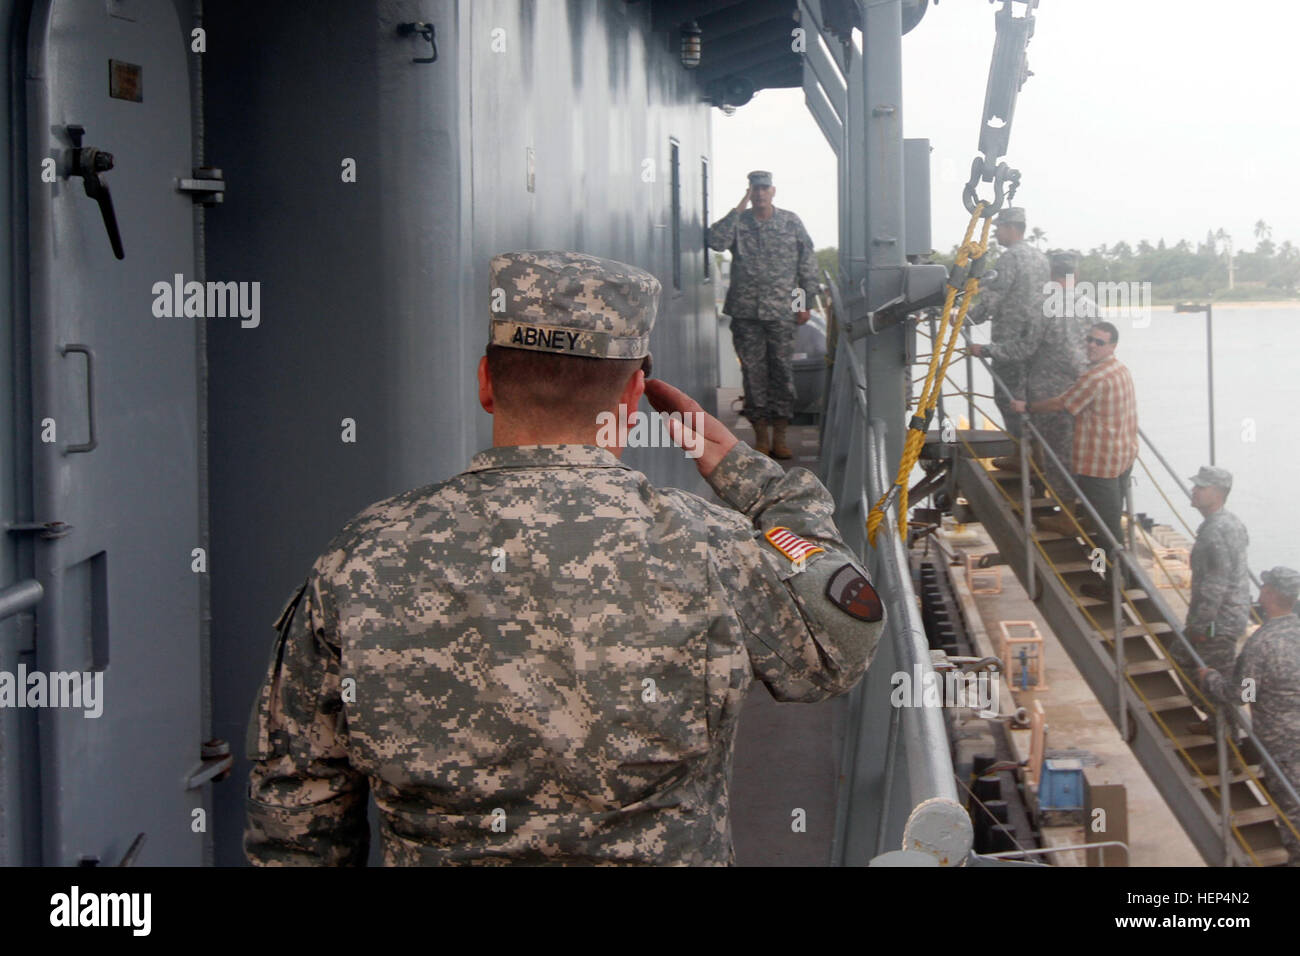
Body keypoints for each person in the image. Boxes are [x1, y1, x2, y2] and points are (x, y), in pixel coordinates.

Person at [243, 250, 885, 866]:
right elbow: (837, 650)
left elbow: (297, 811)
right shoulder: (708, 544)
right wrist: (760, 481)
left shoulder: (361, 556)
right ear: (634, 396)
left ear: (486, 382)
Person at [1011, 321, 1137, 597]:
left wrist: (1028, 407)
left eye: (1099, 342)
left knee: (1106, 530)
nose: (1091, 345)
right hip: (1123, 458)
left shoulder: (1095, 378)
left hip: (1099, 465)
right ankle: (1128, 575)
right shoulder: (1121, 370)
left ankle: (1113, 585)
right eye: (1089, 340)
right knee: (1113, 522)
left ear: (1112, 346)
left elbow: (1062, 404)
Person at [708, 170, 818, 459]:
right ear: (750, 192)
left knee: (781, 372)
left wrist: (803, 304)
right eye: (754, 189)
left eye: (764, 189)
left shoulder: (790, 222)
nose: (759, 194)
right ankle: (761, 438)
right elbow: (715, 241)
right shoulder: (739, 223)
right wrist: (738, 206)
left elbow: (806, 264)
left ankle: (780, 436)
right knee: (753, 374)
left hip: (782, 313)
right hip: (746, 314)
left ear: (773, 191)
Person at [1200, 567, 1300, 866]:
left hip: (1281, 742)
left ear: (1268, 594)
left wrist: (1210, 679)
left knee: (1291, 809)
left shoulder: (1261, 643)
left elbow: (1243, 694)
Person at [967, 206, 1049, 461]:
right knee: (1028, 398)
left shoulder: (1010, 258)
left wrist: (964, 318)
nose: (996, 234)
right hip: (1034, 342)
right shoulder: (1041, 258)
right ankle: (1036, 455)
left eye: (999, 228)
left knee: (1007, 398)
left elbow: (993, 298)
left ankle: (1020, 455)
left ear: (1012, 227)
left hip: (1009, 342)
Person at [1174, 466, 1250, 692]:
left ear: (1217, 493)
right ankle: (1214, 723)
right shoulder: (1231, 522)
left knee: (1211, 677)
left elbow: (1215, 585)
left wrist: (1200, 626)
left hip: (1217, 623)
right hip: (1229, 616)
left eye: (1201, 487)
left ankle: (1220, 726)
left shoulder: (1214, 531)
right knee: (1193, 663)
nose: (1193, 490)